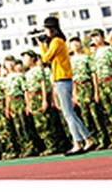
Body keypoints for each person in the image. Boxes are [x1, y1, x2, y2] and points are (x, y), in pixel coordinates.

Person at [39, 16, 94, 154]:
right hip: (62, 79)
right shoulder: (57, 41)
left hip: (62, 79)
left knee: (68, 114)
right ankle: (87, 139)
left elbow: (45, 58)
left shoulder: (57, 41)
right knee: (70, 114)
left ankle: (78, 142)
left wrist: (41, 45)